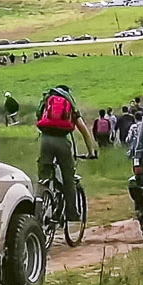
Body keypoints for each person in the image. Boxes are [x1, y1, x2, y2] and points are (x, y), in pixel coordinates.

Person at [36, 85, 98, 221]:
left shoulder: (46, 101)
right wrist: (90, 152)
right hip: (62, 142)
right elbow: (84, 132)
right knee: (68, 178)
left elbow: (39, 118)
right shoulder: (69, 104)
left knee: (43, 176)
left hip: (45, 141)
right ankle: (71, 213)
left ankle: (41, 201)